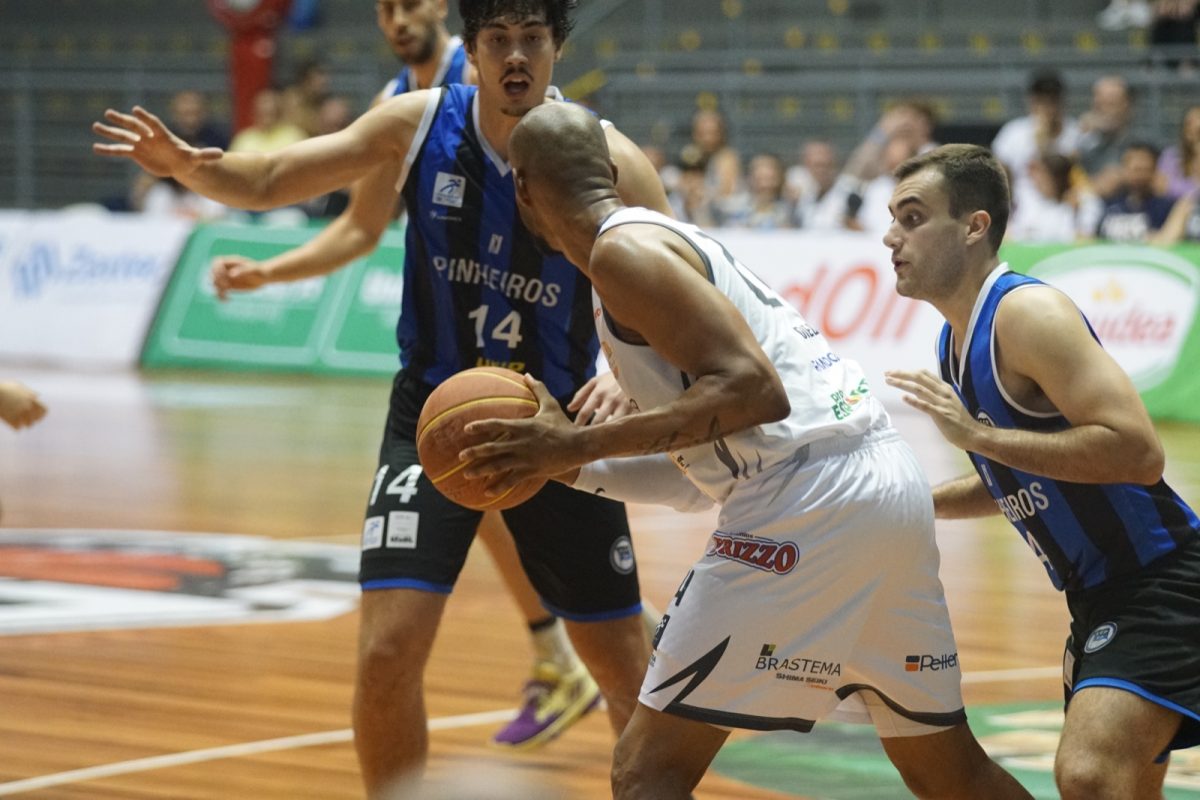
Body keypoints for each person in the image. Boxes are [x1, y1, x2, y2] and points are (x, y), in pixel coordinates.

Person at [91, 1, 673, 795]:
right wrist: (190, 167)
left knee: (624, 670)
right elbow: (273, 178)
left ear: (556, 48)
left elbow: (677, 280)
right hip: (432, 419)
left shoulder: (609, 155)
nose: (515, 56)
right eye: (498, 39)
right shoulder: (416, 121)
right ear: (473, 48)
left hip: (558, 429)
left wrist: (624, 374)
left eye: (531, 39)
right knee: (386, 652)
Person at [458, 102, 1032, 800]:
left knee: (646, 771)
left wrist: (573, 440)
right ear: (608, 171)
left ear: (522, 189)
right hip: (878, 486)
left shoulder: (621, 253)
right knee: (950, 773)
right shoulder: (657, 242)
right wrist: (566, 463)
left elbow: (755, 393)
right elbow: (701, 468)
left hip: (803, 505)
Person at [213, 0, 606, 752]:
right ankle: (558, 650)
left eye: (410, 2)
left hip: (546, 377)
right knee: (469, 485)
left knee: (505, 510)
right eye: (385, 7)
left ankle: (570, 647)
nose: (398, 18)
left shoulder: (493, 74)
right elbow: (361, 227)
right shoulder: (398, 102)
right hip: (454, 373)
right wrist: (270, 272)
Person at [881, 143, 1200, 800]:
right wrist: (919, 502)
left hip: (1160, 580)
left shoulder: (1027, 313)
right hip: (1095, 594)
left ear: (974, 226)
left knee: (1088, 775)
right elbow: (1016, 477)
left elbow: (1138, 453)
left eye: (912, 218)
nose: (891, 237)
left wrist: (975, 436)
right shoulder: (954, 341)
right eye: (893, 220)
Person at [990, 69, 1081, 210]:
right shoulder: (1013, 132)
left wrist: (1043, 144)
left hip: (1063, 207)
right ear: (1032, 101)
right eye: (1041, 101)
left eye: (1052, 101)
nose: (1047, 108)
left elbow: (1075, 179)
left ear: (1061, 102)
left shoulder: (1075, 133)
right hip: (1019, 207)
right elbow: (997, 174)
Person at [1094, 141, 1176, 242]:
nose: (1139, 176)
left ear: (1155, 171)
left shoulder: (1165, 208)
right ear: (1124, 169)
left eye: (1145, 170)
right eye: (1136, 169)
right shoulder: (1108, 204)